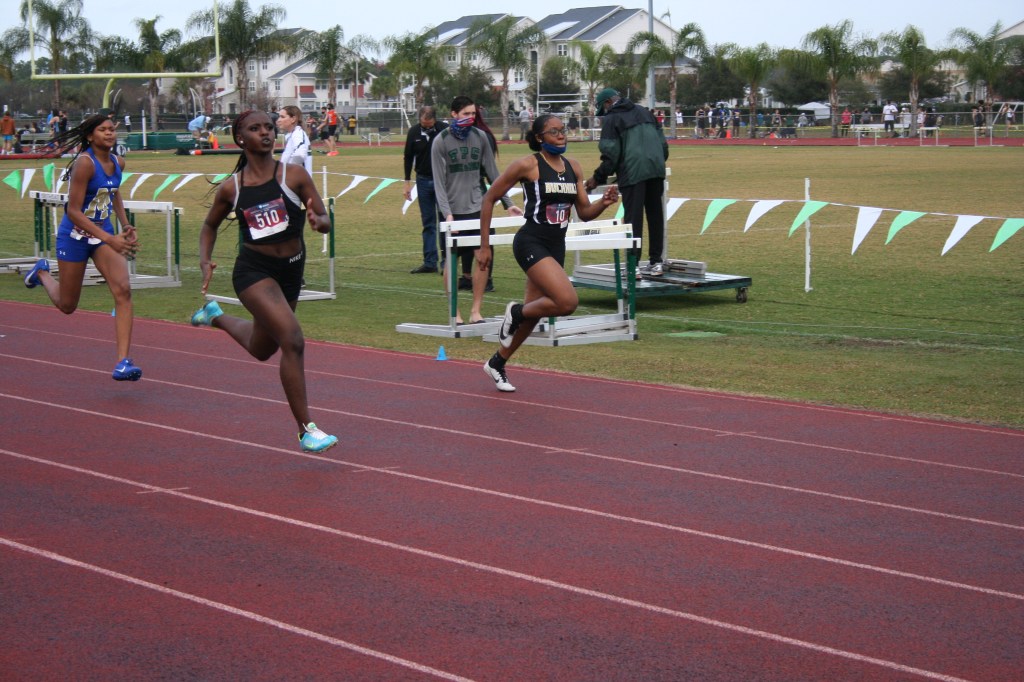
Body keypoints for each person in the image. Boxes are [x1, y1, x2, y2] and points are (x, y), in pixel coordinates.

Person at [190, 110, 338, 453]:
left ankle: (215, 316)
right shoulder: (233, 188)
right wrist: (204, 259)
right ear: (240, 138)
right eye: (255, 129)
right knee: (292, 339)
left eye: (269, 127)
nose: (266, 133)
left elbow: (324, 217)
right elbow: (209, 225)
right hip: (254, 273)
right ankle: (306, 430)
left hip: (292, 270)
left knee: (262, 348)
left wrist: (319, 221)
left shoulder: (294, 175)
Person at [479, 113, 619, 392]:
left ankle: (497, 362)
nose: (561, 134)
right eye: (553, 131)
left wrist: (603, 203)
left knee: (534, 313)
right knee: (566, 302)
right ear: (539, 137)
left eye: (563, 129)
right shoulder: (528, 165)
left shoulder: (573, 167)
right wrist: (484, 246)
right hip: (531, 242)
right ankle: (515, 312)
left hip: (556, 246)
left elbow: (584, 213)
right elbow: (489, 197)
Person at [23, 114, 142, 381]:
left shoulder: (118, 162)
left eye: (112, 129)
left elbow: (114, 192)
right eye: (103, 130)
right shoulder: (85, 164)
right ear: (90, 136)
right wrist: (109, 238)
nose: (109, 133)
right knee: (67, 305)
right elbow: (74, 211)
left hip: (102, 236)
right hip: (74, 237)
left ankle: (123, 362)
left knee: (123, 290)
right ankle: (41, 273)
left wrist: (125, 224)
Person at [431, 95, 522, 325]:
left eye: (473, 114)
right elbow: (439, 183)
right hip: (453, 212)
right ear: (454, 114)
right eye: (465, 114)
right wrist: (447, 213)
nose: (470, 117)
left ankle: (476, 311)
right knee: (451, 262)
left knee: (483, 259)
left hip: (479, 209)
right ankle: (455, 312)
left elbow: (494, 175)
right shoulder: (440, 141)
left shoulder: (481, 137)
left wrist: (508, 203)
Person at [584, 87, 669, 276]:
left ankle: (633, 266)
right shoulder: (645, 112)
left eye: (604, 109)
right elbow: (663, 145)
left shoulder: (612, 118)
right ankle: (656, 263)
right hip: (656, 170)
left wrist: (597, 177)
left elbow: (611, 154)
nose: (604, 113)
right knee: (655, 216)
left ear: (608, 103)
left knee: (632, 219)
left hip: (632, 172)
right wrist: (656, 162)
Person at [403, 105, 447, 274]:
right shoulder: (413, 132)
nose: (426, 127)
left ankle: (446, 262)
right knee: (428, 223)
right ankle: (430, 262)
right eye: (423, 124)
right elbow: (408, 157)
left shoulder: (445, 130)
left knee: (444, 222)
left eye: (429, 125)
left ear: (435, 120)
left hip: (443, 182)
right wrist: (407, 182)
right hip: (422, 180)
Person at [277, 105, 313, 175]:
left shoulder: (297, 134)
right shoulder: (293, 134)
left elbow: (300, 155)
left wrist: (287, 171)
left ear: (293, 119)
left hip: (298, 180)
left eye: (282, 117)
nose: (279, 120)